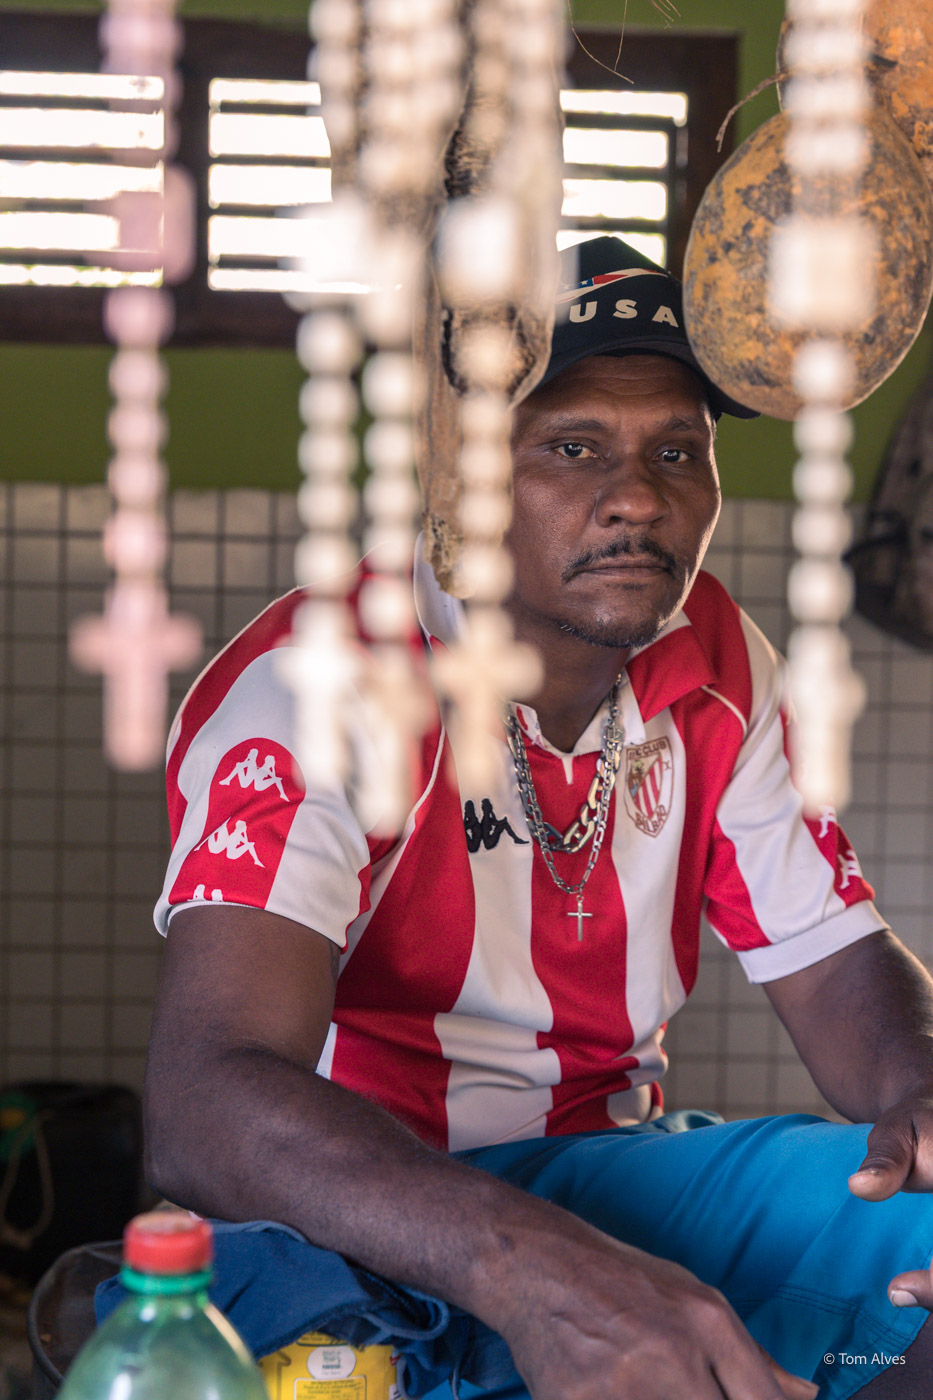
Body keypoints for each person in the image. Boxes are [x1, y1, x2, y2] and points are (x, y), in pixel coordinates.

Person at [145, 237, 933, 1400]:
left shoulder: (720, 662)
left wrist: (920, 1088)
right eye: (573, 447)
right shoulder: (325, 686)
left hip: (618, 1168)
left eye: (678, 450)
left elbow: (834, 963)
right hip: (367, 1214)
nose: (640, 495)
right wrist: (543, 1270)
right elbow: (204, 1101)